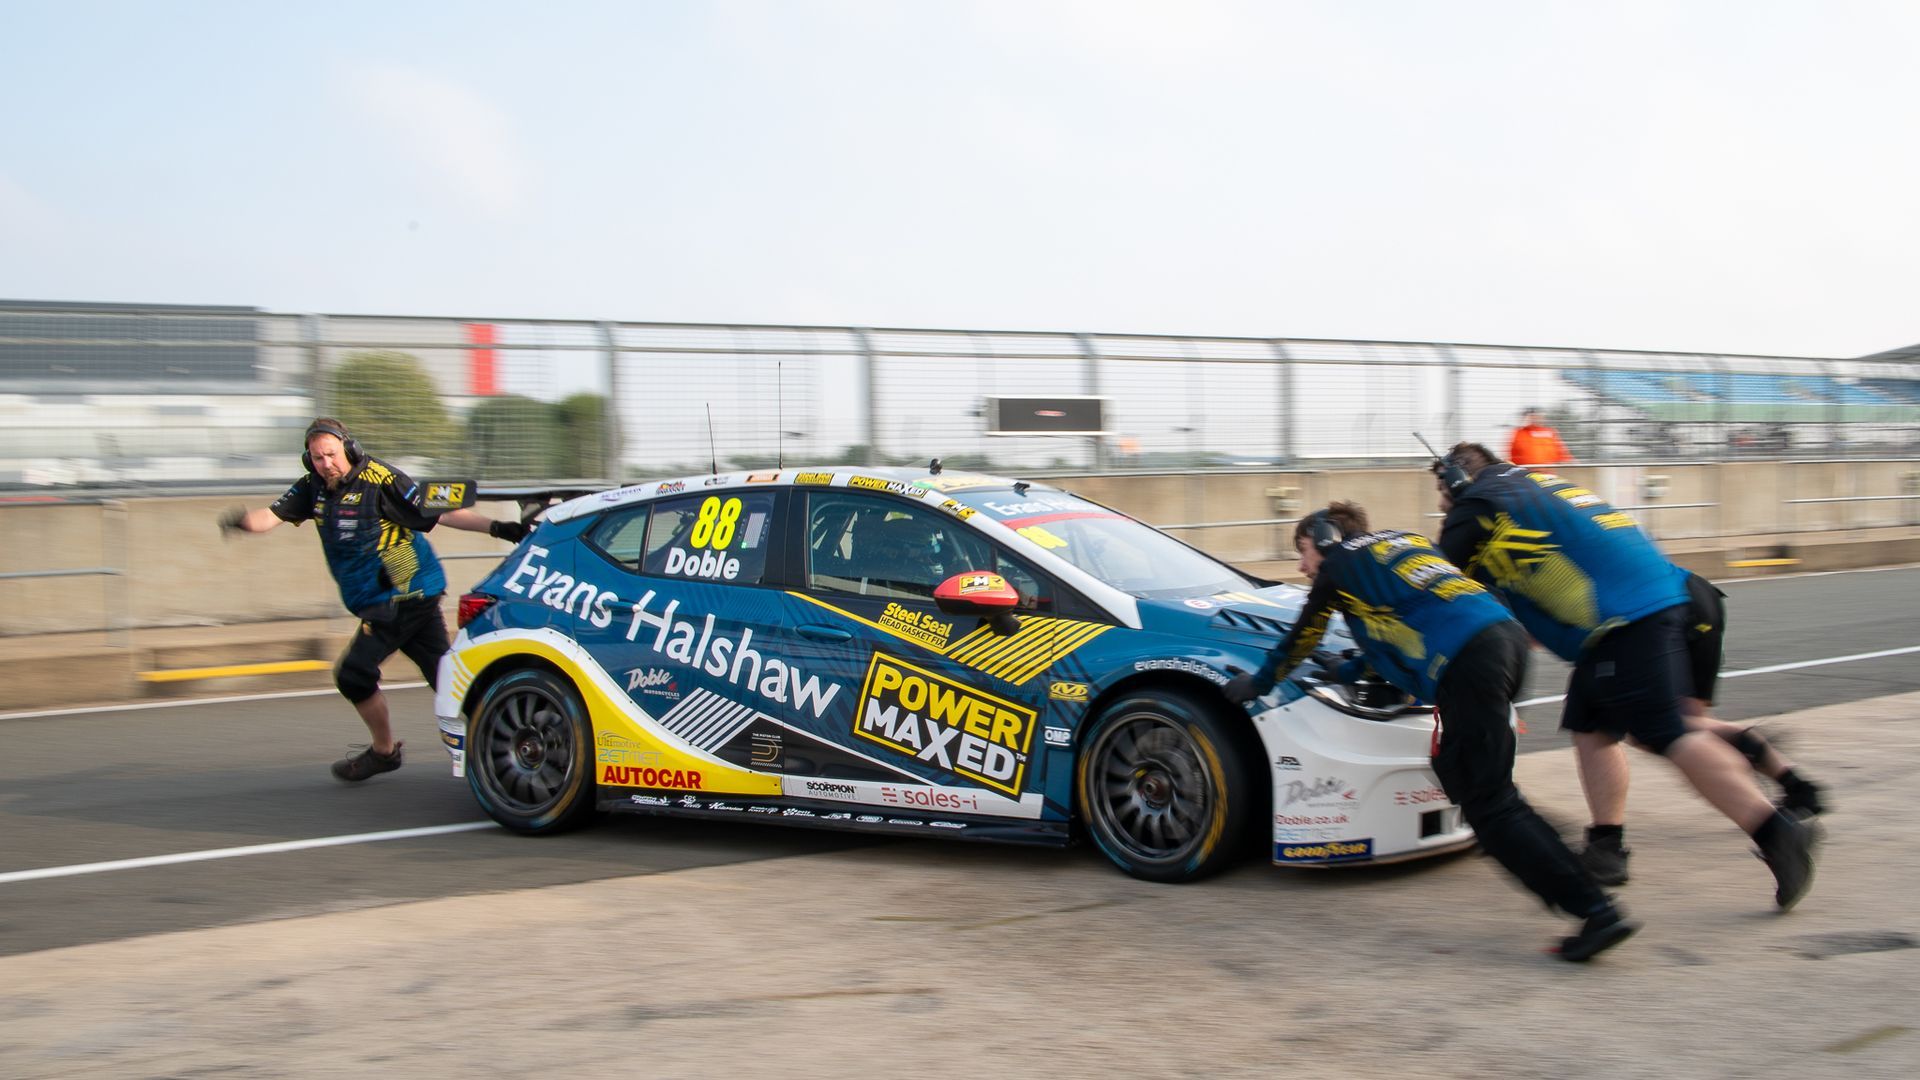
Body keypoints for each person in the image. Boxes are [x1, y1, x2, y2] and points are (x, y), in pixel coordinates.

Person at [1224, 502, 1636, 961]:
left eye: (1303, 550)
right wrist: (1348, 669)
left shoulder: (1338, 565)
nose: (1302, 566)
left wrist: (1257, 684)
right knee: (1463, 775)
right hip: (1504, 643)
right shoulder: (1402, 544)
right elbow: (1408, 623)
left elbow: (1302, 637)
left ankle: (1594, 909)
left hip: (1469, 662)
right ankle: (1534, 848)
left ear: (1325, 538)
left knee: (1492, 805)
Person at [1431, 445, 1819, 910]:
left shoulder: (1477, 504)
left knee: (1668, 732)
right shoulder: (1525, 486)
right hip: (1643, 607)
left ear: (1458, 480)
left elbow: (1438, 583)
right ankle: (1606, 846)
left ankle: (1775, 830)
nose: (1442, 504)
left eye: (1442, 492)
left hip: (1628, 618)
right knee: (1592, 726)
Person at [218, 418, 529, 781]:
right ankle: (515, 735)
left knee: (354, 674)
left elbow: (440, 510)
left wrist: (498, 528)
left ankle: (385, 752)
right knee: (445, 676)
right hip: (389, 596)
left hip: (402, 592)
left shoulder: (382, 480)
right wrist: (240, 521)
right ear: (309, 460)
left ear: (350, 449)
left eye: (332, 454)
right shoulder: (313, 487)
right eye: (317, 458)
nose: (326, 464)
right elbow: (271, 516)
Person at [1508, 409, 1572, 466]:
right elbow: (1514, 454)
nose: (1535, 418)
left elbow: (1560, 451)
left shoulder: (1549, 432)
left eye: (1537, 416)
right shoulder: (1520, 433)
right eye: (1532, 416)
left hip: (1548, 470)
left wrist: (1566, 461)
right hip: (1527, 470)